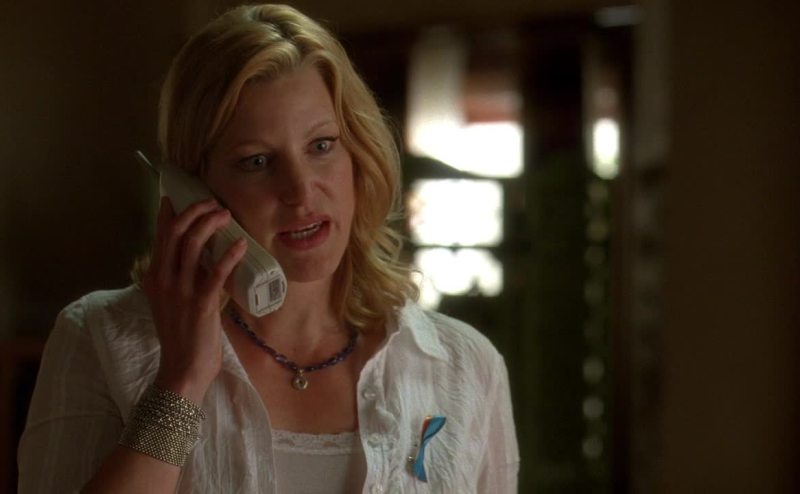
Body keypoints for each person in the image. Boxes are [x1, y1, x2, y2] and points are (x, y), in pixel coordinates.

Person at [17, 4, 519, 493]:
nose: (300, 191)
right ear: (194, 189)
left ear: (358, 155)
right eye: (257, 161)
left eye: (321, 146)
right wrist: (180, 383)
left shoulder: (463, 365)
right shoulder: (102, 338)